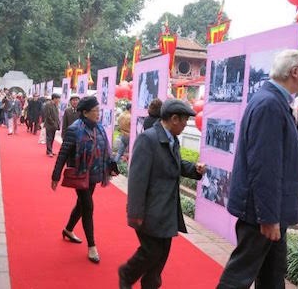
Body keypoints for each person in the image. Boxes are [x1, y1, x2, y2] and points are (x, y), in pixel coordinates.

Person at [216, 49, 298, 289]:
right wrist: (268, 217)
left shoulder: (275, 101)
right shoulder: (269, 105)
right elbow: (265, 166)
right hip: (262, 214)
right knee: (239, 276)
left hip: (270, 211)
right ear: (294, 72)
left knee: (272, 275)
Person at [118, 99, 206, 289]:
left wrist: (194, 170)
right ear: (174, 119)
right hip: (150, 210)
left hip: (166, 210)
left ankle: (150, 284)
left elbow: (176, 163)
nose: (185, 125)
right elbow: (137, 180)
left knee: (161, 255)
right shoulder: (148, 139)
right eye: (184, 121)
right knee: (151, 251)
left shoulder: (172, 139)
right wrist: (135, 213)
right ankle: (127, 273)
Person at [51, 96, 118, 264]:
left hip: (94, 174)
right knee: (88, 206)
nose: (98, 114)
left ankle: (68, 230)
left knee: (81, 205)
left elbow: (105, 148)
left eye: (98, 110)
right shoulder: (75, 129)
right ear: (86, 112)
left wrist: (111, 165)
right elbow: (64, 152)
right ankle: (92, 246)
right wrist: (56, 175)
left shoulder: (99, 128)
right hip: (80, 173)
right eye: (95, 111)